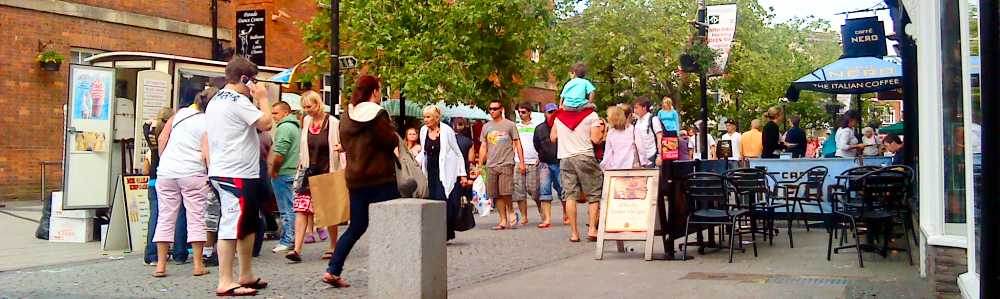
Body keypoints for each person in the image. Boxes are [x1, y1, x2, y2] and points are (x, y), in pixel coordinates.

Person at [204, 56, 271, 296]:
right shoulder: (237, 100)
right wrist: (262, 98)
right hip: (236, 173)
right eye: (253, 81)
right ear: (244, 79)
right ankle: (225, 280)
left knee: (248, 224)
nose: (255, 85)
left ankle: (246, 273)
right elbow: (266, 123)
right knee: (233, 224)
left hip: (233, 170)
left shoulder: (217, 100)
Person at [324, 75, 398, 288]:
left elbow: (346, 143)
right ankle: (393, 270)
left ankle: (333, 269)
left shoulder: (348, 114)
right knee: (392, 223)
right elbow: (390, 140)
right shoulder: (377, 114)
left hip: (355, 179)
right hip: (381, 178)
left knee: (356, 226)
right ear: (374, 91)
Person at [151, 87, 216, 278]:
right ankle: (197, 265)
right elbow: (206, 152)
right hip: (193, 172)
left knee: (165, 217)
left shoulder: (180, 114)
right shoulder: (209, 122)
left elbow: (163, 137)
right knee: (196, 217)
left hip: (167, 172)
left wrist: (165, 160)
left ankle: (161, 265)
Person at [285, 91, 341, 262]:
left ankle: (333, 246)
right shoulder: (306, 121)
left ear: (318, 104)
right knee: (302, 209)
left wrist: (341, 148)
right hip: (308, 172)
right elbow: (304, 147)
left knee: (328, 213)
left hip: (327, 171)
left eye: (310, 106)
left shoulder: (333, 123)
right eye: (304, 107)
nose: (307, 110)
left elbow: (342, 143)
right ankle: (297, 249)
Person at [142, 107, 192, 267]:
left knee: (156, 217)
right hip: (171, 176)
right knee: (180, 215)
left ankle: (152, 254)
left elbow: (146, 124)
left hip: (153, 180)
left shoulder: (150, 135)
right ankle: (179, 252)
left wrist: (153, 121)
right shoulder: (172, 137)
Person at [550, 103, 603, 243]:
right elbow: (596, 139)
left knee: (570, 195)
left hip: (566, 157)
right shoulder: (591, 115)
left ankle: (574, 233)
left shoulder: (559, 117)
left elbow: (553, 137)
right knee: (593, 193)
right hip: (585, 156)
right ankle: (592, 228)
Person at [420, 106, 467, 241]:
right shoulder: (423, 131)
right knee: (432, 202)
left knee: (443, 201)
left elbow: (457, 153)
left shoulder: (447, 131)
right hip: (430, 172)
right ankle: (436, 234)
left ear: (436, 118)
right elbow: (424, 153)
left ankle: (445, 233)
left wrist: (462, 174)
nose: (426, 120)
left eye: (428, 117)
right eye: (424, 117)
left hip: (445, 172)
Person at [479, 100, 527, 229]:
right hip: (491, 164)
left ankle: (511, 211)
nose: (493, 111)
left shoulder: (510, 125)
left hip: (506, 163)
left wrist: (522, 162)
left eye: (495, 108)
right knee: (496, 194)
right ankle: (502, 220)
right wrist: (479, 164)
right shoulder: (486, 127)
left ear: (501, 109)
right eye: (490, 109)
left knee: (506, 191)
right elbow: (483, 146)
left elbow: (517, 144)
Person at [268, 101, 300, 254]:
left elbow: (280, 152)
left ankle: (288, 239)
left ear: (286, 113)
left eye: (276, 113)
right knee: (292, 207)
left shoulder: (284, 127)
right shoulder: (295, 126)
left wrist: (274, 170)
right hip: (293, 170)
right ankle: (292, 238)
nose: (273, 116)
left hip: (284, 171)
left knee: (286, 209)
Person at [534, 103, 567, 227]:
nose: (552, 114)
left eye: (554, 111)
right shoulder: (539, 129)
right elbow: (536, 145)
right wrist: (542, 155)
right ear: (545, 113)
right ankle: (547, 219)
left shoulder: (561, 126)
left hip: (560, 162)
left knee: (563, 190)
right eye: (549, 112)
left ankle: (566, 214)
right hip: (545, 163)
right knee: (544, 191)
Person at [513, 103, 541, 226]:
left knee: (534, 190)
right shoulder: (516, 127)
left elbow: (541, 142)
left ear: (530, 112)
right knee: (519, 191)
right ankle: (524, 216)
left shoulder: (536, 126)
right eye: (519, 112)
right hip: (518, 161)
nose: (520, 114)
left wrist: (540, 157)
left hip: (533, 161)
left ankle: (542, 212)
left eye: (523, 112)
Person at [600, 106, 637, 170]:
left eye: (608, 116)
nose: (607, 118)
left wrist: (605, 168)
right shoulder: (633, 130)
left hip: (620, 168)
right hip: (627, 167)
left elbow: (608, 154)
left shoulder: (611, 133)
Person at [632, 97, 663, 168]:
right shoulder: (637, 122)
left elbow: (659, 137)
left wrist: (659, 155)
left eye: (637, 108)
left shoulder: (653, 119)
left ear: (644, 107)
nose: (635, 111)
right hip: (640, 159)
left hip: (651, 156)